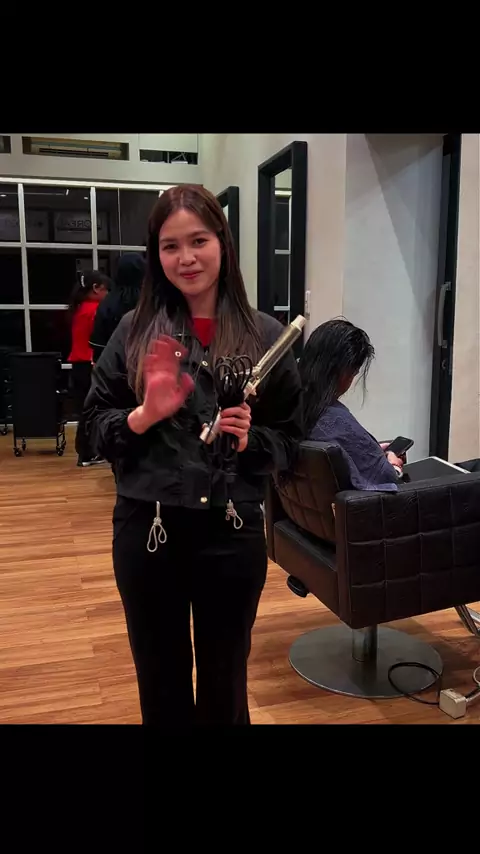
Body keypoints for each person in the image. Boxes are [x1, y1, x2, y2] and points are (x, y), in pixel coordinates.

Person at [84, 184, 303, 725]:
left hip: (232, 535)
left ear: (222, 243)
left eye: (199, 241)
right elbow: (90, 430)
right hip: (147, 530)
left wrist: (251, 440)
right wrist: (143, 416)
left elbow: (291, 442)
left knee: (225, 687)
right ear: (156, 254)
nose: (186, 257)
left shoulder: (265, 336)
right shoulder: (134, 333)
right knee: (160, 685)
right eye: (170, 246)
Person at [298, 318, 404, 491]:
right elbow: (387, 476)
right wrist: (393, 464)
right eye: (354, 373)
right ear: (344, 372)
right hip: (369, 506)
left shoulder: (292, 410)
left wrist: (372, 451)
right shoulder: (335, 421)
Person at [68, 269, 111, 467]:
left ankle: (87, 452)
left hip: (78, 364)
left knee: (84, 410)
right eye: (105, 289)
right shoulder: (94, 310)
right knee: (91, 410)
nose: (107, 294)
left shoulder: (79, 309)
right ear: (95, 289)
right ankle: (88, 453)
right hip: (89, 364)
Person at [90, 253, 146, 364]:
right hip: (145, 363)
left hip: (114, 364)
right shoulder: (149, 301)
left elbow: (99, 343)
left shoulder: (108, 302)